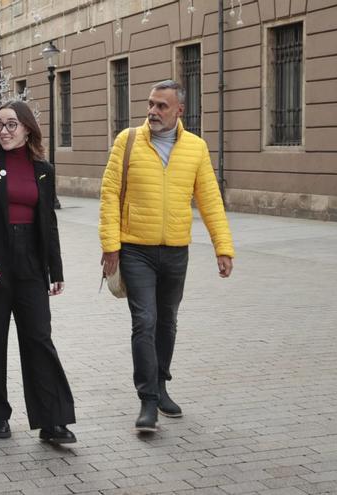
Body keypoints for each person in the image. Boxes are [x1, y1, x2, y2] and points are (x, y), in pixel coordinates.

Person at [99, 80, 235, 432]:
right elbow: (110, 195)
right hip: (135, 249)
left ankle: (160, 386)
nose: (153, 111)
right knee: (144, 320)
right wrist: (111, 244)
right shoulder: (126, 141)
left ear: (179, 110)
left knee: (167, 321)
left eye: (162, 106)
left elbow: (209, 199)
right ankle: (147, 401)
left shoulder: (196, 148)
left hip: (176, 251)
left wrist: (223, 246)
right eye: (151, 104)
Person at [0, 100, 76, 444]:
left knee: (39, 339)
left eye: (12, 124)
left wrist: (55, 269)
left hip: (30, 262)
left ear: (27, 128)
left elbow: (49, 223)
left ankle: (52, 421)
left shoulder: (43, 168)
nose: (5, 131)